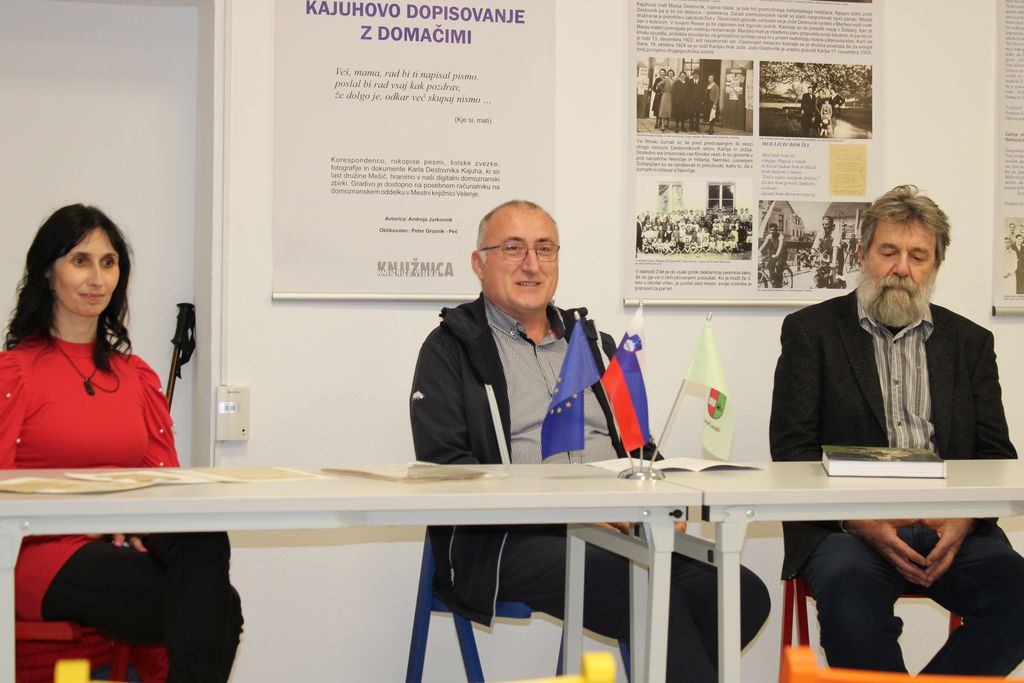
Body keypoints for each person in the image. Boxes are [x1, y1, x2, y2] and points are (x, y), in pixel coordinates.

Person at [410, 200, 769, 682]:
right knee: (646, 587)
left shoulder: (593, 344)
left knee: (740, 592)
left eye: (545, 249)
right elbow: (446, 469)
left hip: (618, 526)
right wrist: (570, 510)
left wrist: (663, 501)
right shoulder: (450, 348)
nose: (532, 264)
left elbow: (638, 443)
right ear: (479, 263)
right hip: (512, 537)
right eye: (513, 248)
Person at [769, 185, 1024, 675]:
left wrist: (964, 521)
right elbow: (792, 452)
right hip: (847, 529)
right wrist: (860, 520)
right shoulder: (811, 333)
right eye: (888, 252)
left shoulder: (970, 342)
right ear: (862, 254)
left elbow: (995, 455)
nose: (901, 269)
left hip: (951, 528)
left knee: (1018, 597)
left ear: (935, 266)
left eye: (918, 256)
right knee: (850, 601)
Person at [1, 204, 243, 683]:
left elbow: (163, 484)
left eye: (108, 262)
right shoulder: (14, 375)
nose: (97, 278)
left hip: (122, 537)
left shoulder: (135, 377)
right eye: (80, 260)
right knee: (217, 608)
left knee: (203, 536)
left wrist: (141, 522)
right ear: (47, 272)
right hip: (42, 550)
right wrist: (97, 521)